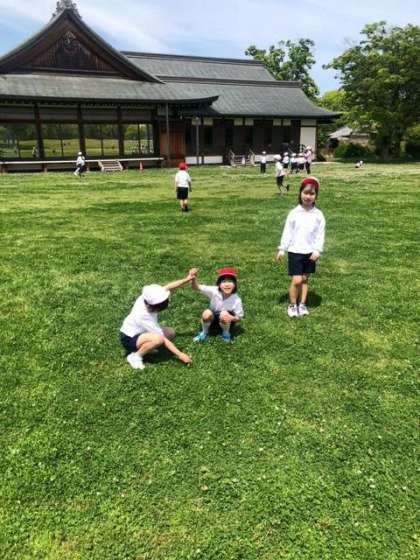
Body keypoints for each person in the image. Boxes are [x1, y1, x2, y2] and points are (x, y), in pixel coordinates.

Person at [120, 269, 197, 369]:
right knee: (159, 339)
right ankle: (135, 356)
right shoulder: (143, 315)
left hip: (141, 332)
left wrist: (187, 279)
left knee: (170, 332)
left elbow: (169, 287)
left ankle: (147, 347)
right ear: (154, 306)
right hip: (129, 339)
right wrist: (180, 355)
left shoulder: (148, 297)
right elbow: (162, 338)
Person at [275, 176, 326, 317]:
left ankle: (302, 304)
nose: (308, 196)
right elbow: (287, 232)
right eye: (305, 193)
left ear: (316, 196)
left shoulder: (318, 215)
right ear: (300, 193)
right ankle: (292, 305)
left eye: (312, 194)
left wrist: (317, 250)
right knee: (296, 279)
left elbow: (320, 234)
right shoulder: (294, 213)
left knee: (304, 279)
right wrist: (282, 249)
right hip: (295, 251)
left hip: (310, 253)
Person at [191, 267, 244, 342]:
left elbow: (239, 317)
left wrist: (231, 318)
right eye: (224, 282)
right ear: (219, 284)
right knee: (206, 313)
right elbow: (195, 288)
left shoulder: (236, 299)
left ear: (235, 284)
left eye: (230, 281)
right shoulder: (214, 291)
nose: (227, 285)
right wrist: (193, 279)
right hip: (212, 320)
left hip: (226, 322)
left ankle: (226, 333)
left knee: (224, 314)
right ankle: (204, 332)